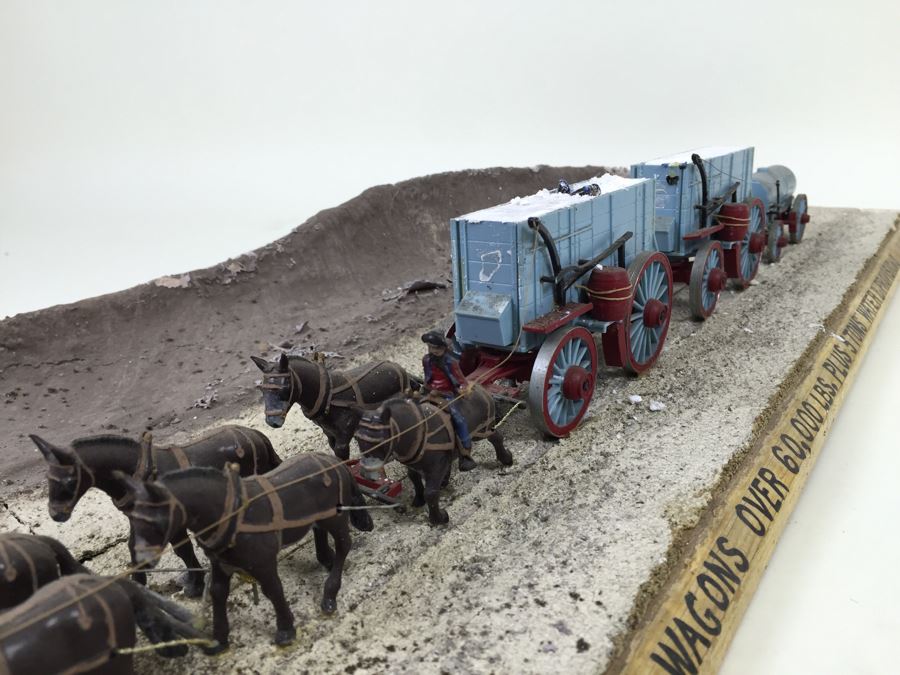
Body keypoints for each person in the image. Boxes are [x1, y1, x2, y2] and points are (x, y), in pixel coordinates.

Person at [420, 331, 476, 471]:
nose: (434, 351)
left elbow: (460, 379)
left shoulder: (451, 362)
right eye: (431, 348)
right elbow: (428, 377)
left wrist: (464, 388)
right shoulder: (426, 359)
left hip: (446, 394)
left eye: (437, 348)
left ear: (444, 348)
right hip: (429, 391)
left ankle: (466, 451)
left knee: (459, 419)